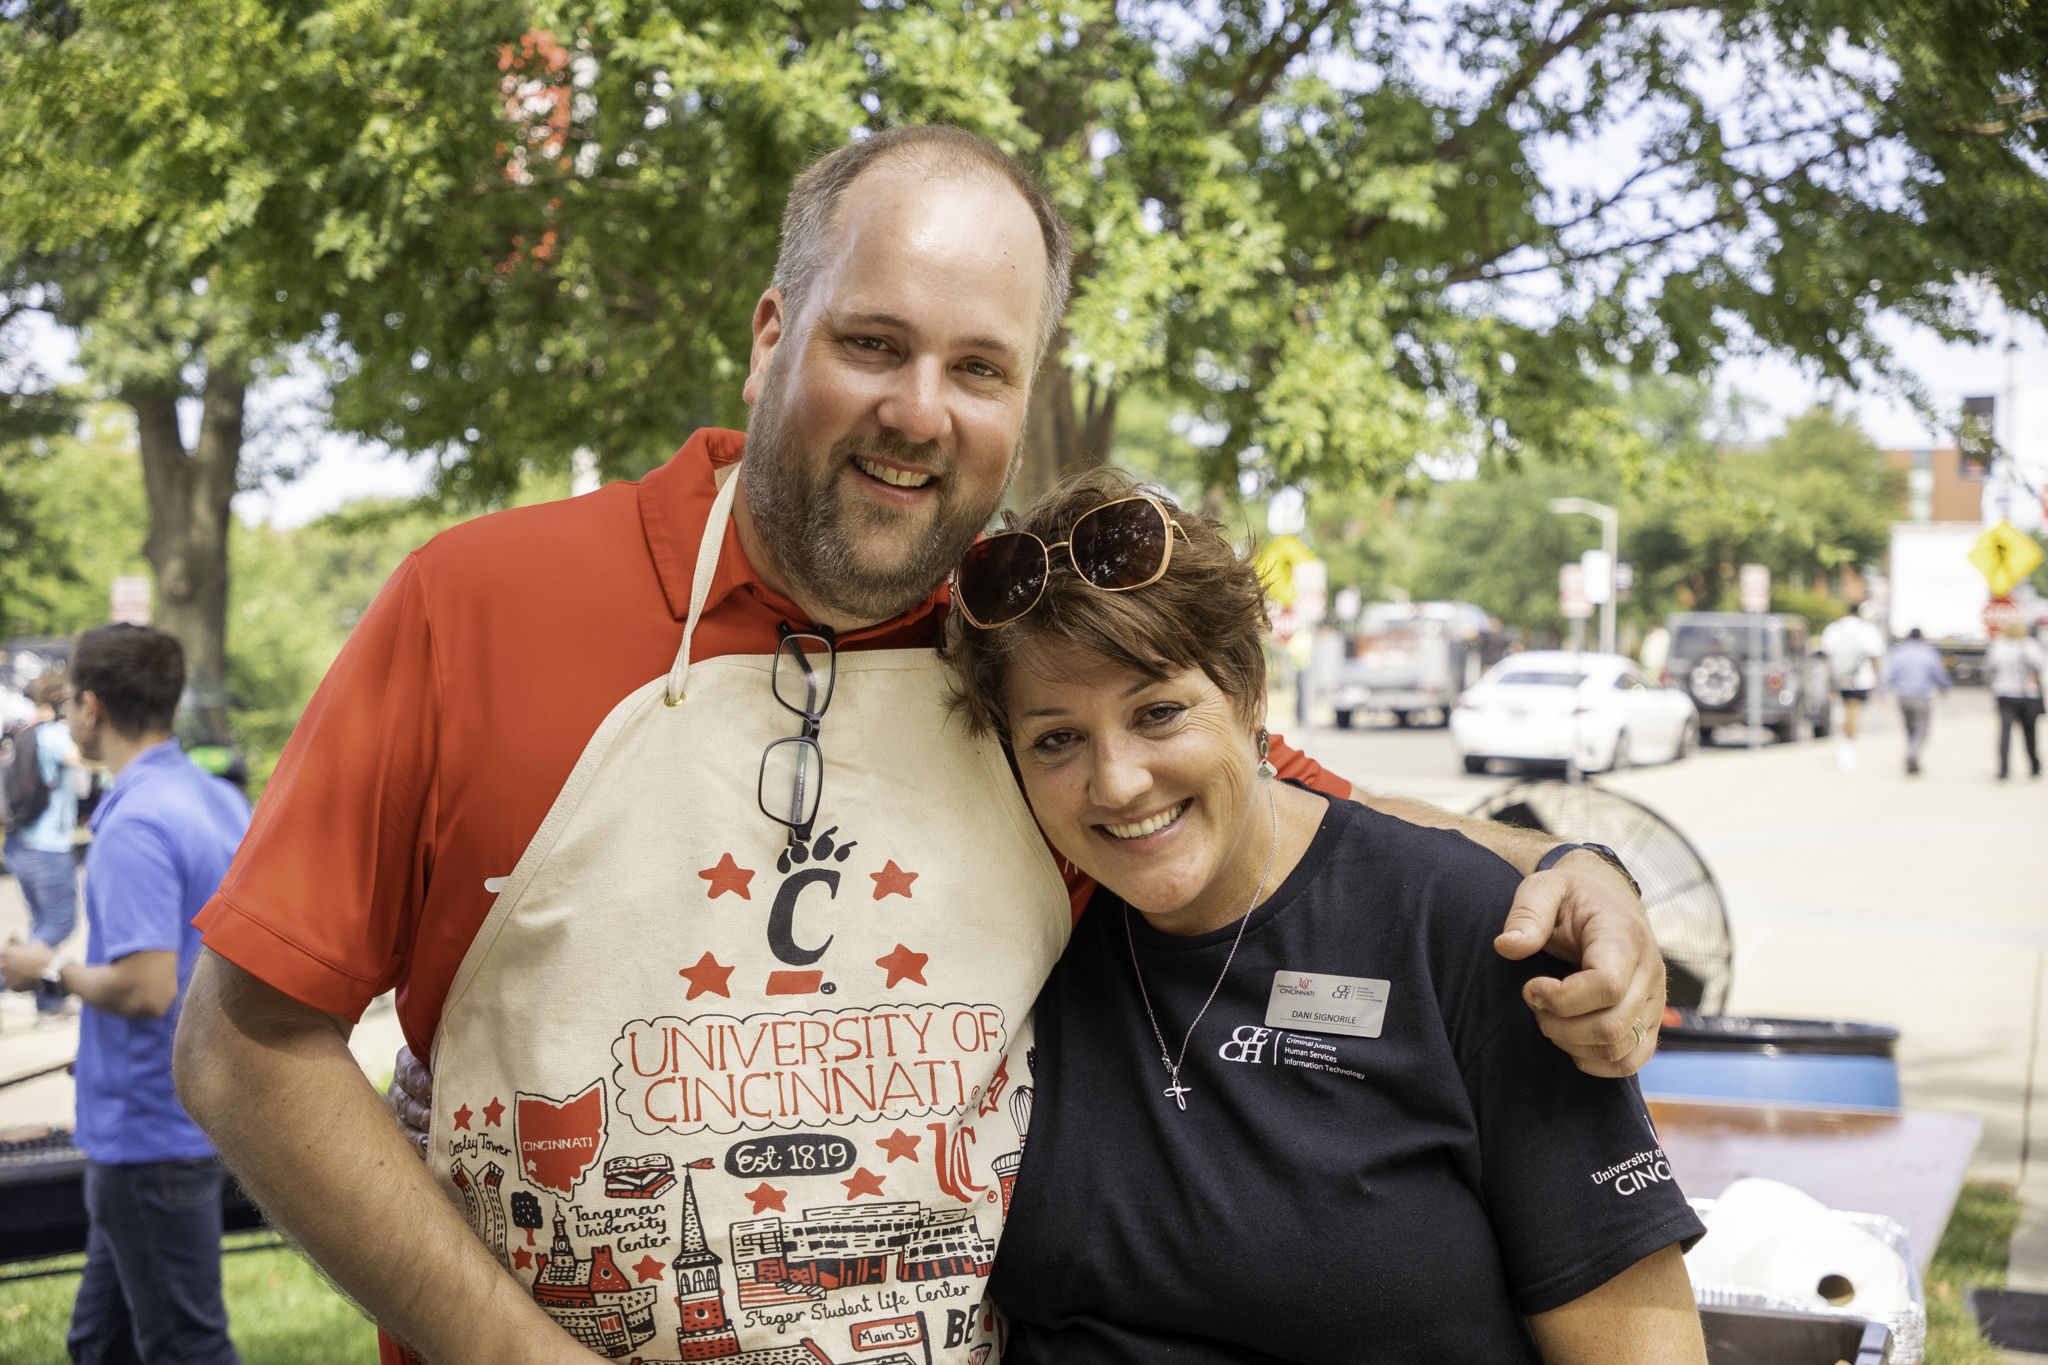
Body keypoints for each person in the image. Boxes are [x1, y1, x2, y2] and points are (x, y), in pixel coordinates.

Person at [172, 126, 1666, 1365]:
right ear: (771, 336)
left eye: (978, 368)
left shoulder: (1012, 643)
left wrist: (1570, 868)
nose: (916, 414)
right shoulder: (479, 601)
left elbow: (1287, 820)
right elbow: (248, 1044)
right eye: (872, 344)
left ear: (1022, 394)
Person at [946, 470, 1705, 1363]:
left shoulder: (1466, 930)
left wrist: (1582, 860)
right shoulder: (1032, 935)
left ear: (1249, 692)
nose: (1116, 783)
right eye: (1056, 738)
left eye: (1157, 713)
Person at [0, 625, 252, 1365]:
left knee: (185, 1346)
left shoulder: (134, 822)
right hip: (185, 1114)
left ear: (90, 706)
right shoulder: (216, 798)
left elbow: (146, 988)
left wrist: (45, 970)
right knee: (97, 1343)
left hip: (150, 1135)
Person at [4, 671, 88, 1015]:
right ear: (58, 698)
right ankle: (9, 973)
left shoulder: (23, 732)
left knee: (42, 924)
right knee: (60, 922)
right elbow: (83, 760)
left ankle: (47, 1001)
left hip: (19, 844)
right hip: (47, 847)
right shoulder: (53, 735)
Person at [1819, 601, 1886, 771]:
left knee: (1845, 712)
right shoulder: (1867, 630)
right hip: (1860, 679)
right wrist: (1878, 682)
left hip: (1839, 678)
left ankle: (1845, 744)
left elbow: (1827, 656)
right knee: (1853, 712)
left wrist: (1829, 681)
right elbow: (1875, 656)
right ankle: (1847, 747)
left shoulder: (1834, 628)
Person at [1882, 627, 1951, 776]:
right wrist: (1944, 689)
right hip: (1921, 696)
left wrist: (1883, 692)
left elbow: (1889, 675)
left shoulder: (1898, 652)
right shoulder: (1928, 652)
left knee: (1910, 729)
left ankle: (1912, 757)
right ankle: (1912, 754)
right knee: (1921, 729)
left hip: (1902, 696)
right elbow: (1939, 674)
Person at [1986, 619, 2046, 779]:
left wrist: (1990, 687)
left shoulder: (1998, 646)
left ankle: (2003, 768)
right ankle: (2034, 765)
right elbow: (2040, 665)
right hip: (2027, 695)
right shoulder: (2029, 645)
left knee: (2005, 732)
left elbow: (1989, 669)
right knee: (2030, 733)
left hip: (2004, 692)